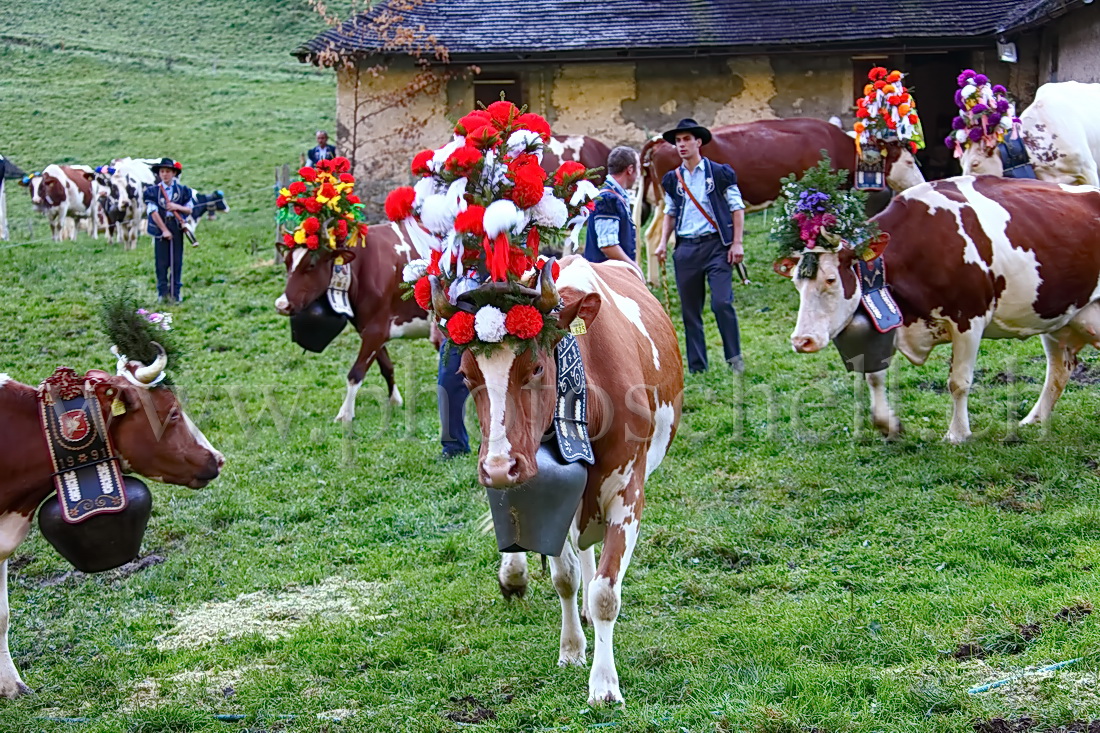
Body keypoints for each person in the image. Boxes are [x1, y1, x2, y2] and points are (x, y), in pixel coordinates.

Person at [654, 117, 746, 374]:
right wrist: (663, 243)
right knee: (690, 312)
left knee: (721, 303)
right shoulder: (673, 179)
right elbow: (670, 212)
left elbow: (737, 208)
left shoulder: (719, 173)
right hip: (686, 249)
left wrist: (737, 243)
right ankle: (697, 366)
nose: (681, 145)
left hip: (717, 246)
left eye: (686, 140)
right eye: (678, 141)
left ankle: (734, 358)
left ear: (698, 142)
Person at [143, 158, 193, 303]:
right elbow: (153, 212)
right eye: (162, 171)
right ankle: (162, 294)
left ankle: (175, 293)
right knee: (161, 262)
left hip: (177, 227)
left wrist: (176, 207)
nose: (164, 174)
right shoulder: (152, 192)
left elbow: (189, 209)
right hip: (160, 227)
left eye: (168, 171)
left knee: (176, 261)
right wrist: (164, 230)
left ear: (174, 173)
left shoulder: (183, 191)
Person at [584, 146, 640, 267]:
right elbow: (608, 246)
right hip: (605, 277)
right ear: (630, 169)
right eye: (638, 168)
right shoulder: (608, 199)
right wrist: (633, 266)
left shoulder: (614, 195)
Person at [431, 320, 470, 459]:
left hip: (502, 324)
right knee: (448, 384)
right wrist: (435, 324)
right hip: (459, 324)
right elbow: (438, 297)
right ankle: (455, 446)